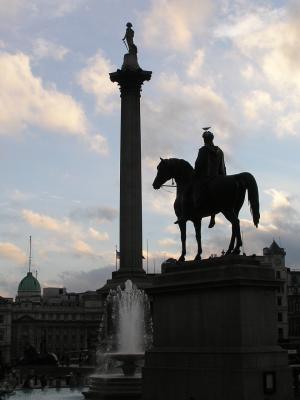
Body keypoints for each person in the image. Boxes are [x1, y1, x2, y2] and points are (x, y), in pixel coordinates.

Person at [194, 128, 226, 228]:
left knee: (194, 189)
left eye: (204, 139)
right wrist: (223, 177)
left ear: (205, 140)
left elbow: (198, 164)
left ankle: (196, 209)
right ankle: (213, 217)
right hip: (219, 177)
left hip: (206, 177)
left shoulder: (203, 150)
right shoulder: (220, 151)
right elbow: (222, 166)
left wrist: (194, 174)